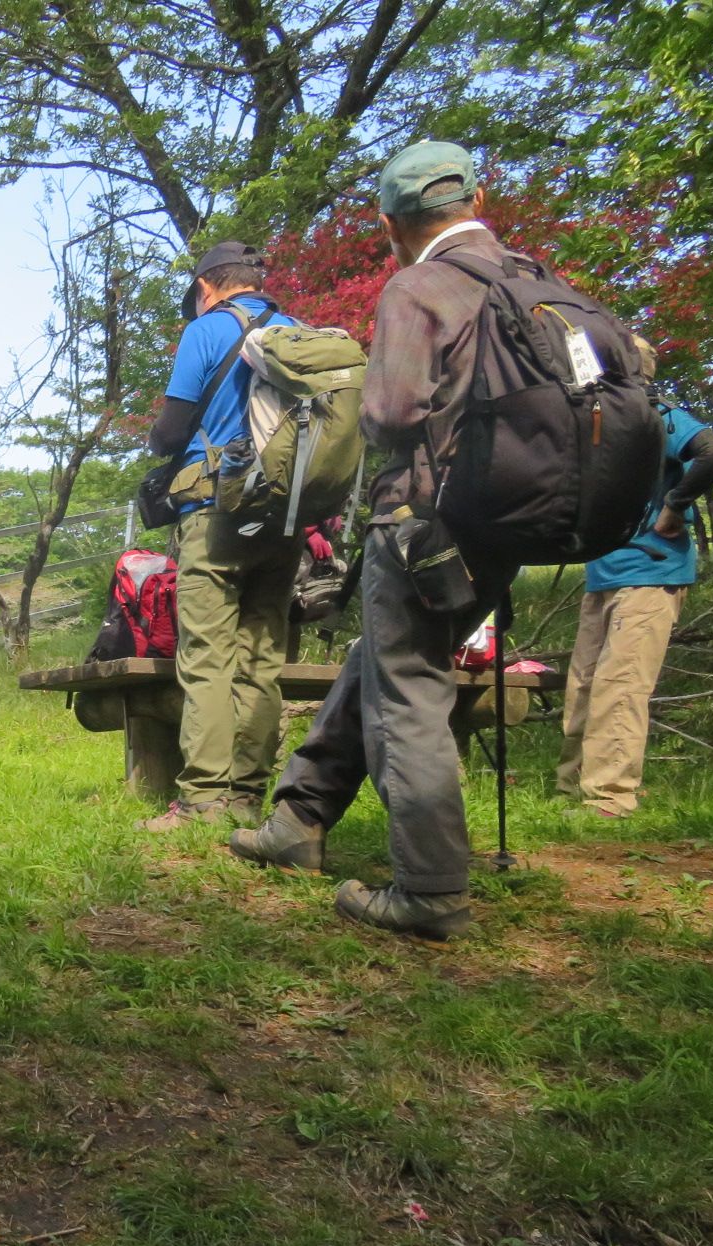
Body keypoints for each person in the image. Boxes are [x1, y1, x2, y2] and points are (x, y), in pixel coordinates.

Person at [229, 141, 515, 941]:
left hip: (427, 522)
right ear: (477, 200)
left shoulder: (421, 285)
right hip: (507, 522)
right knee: (383, 659)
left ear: (390, 223)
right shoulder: (529, 280)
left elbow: (389, 416)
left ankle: (429, 891)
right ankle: (299, 821)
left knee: (407, 687)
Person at [141, 242, 304, 831]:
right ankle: (246, 797)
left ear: (207, 285)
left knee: (207, 654)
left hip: (217, 509)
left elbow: (172, 427)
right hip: (285, 515)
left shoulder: (207, 330)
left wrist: (160, 448)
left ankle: (204, 800)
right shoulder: (297, 331)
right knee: (261, 659)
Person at [556, 343, 713, 817]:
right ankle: (570, 788)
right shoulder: (595, 420)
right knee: (583, 685)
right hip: (605, 571)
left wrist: (675, 505)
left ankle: (610, 798)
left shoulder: (661, 415)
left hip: (653, 571)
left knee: (620, 685)